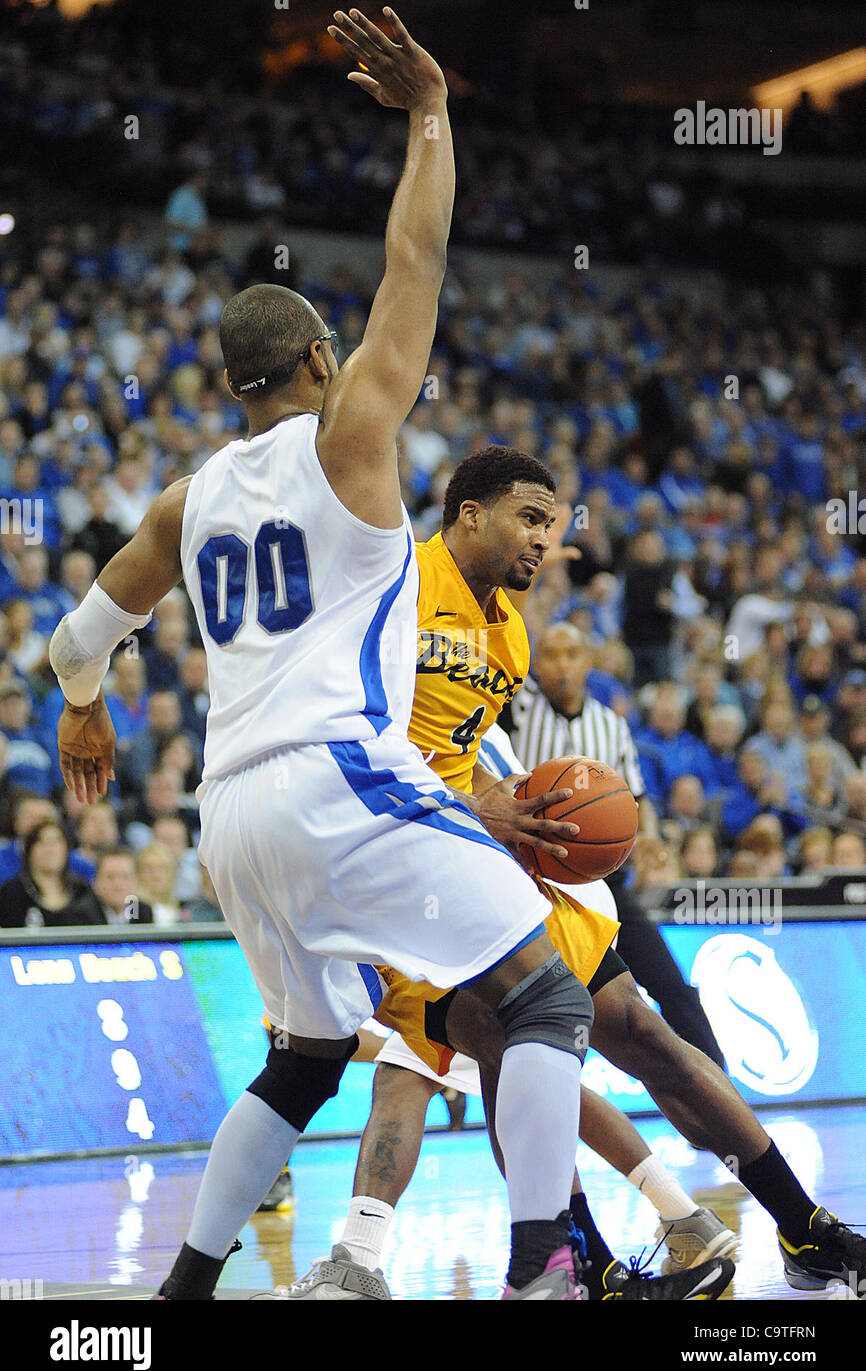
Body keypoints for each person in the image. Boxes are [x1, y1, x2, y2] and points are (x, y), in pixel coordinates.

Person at [50, 8, 599, 1303]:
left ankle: (181, 1294)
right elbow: (418, 254)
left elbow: (83, 635)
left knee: (301, 1059)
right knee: (543, 1004)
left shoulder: (187, 496)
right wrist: (429, 112)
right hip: (342, 776)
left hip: (228, 817)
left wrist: (85, 710)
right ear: (316, 359)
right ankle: (545, 1267)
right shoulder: (353, 430)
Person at [292, 449, 866, 1299]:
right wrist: (474, 808)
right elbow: (352, 734)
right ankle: (574, 1260)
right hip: (393, 870)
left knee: (640, 1033)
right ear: (470, 513)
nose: (542, 538)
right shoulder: (398, 585)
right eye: (527, 517)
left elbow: (461, 760)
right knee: (490, 1044)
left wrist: (518, 811)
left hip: (479, 856)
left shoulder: (509, 634)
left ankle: (801, 1227)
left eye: (550, 525)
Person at [506, 622, 726, 1068]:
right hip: (530, 880)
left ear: (589, 661)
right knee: (523, 1002)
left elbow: (635, 803)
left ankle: (723, 1090)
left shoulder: (612, 725)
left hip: (600, 880)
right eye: (550, 654)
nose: (561, 664)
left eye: (572, 654)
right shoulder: (519, 710)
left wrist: (648, 838)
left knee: (670, 986)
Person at [0, 819, 101, 927]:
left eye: (56, 842)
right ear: (29, 850)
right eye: (42, 842)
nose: (50, 849)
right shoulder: (12, 892)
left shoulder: (81, 889)